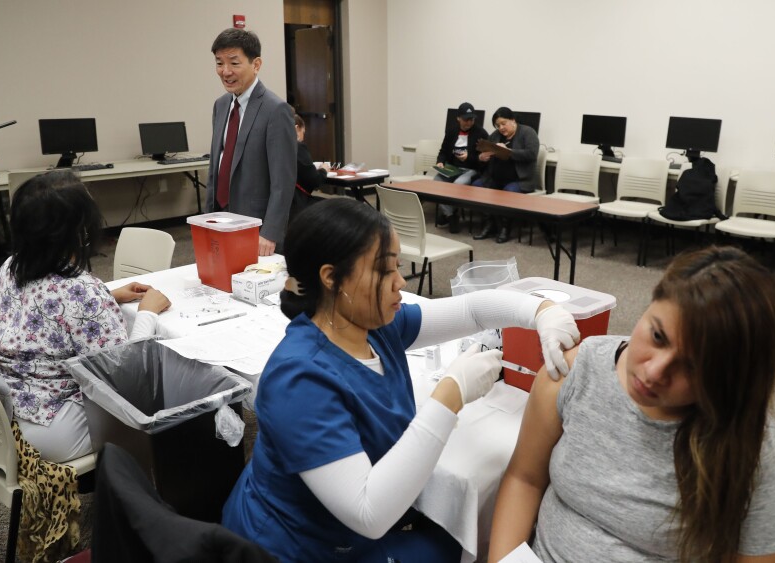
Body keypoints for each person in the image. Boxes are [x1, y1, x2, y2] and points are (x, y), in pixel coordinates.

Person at [222, 198, 581, 562]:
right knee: (454, 544)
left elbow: (473, 310)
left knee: (454, 541)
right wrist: (450, 396)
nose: (401, 282)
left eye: (397, 266)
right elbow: (369, 513)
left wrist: (540, 311)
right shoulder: (297, 379)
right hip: (293, 548)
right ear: (331, 278)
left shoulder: (371, 326)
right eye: (384, 271)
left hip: (346, 534)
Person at [488, 246, 775, 562]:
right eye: (658, 336)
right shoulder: (574, 372)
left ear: (728, 381)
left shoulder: (752, 451)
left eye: (691, 367)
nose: (654, 372)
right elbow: (524, 479)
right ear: (650, 304)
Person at [0, 170, 171, 463]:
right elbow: (126, 377)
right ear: (80, 231)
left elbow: (44, 314)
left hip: (1, 413)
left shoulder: (11, 267)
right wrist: (147, 312)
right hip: (53, 430)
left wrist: (107, 298)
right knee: (166, 393)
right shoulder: (83, 291)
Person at [207, 28, 297, 256]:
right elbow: (216, 167)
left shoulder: (276, 110)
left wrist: (270, 232)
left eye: (234, 63)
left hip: (256, 226)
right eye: (219, 63)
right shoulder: (220, 105)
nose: (225, 71)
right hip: (220, 219)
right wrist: (207, 218)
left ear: (256, 64)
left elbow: (282, 181)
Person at [472, 107, 540, 243]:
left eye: (504, 123)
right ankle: (489, 224)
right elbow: (485, 152)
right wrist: (482, 157)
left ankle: (505, 228)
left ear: (513, 120)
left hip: (519, 179)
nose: (501, 128)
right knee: (477, 186)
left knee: (508, 191)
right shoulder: (495, 136)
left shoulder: (528, 132)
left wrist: (509, 151)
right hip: (495, 177)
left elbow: (531, 154)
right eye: (498, 125)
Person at [433, 102, 488, 233]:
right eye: (465, 119)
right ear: (458, 118)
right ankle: (451, 215)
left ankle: (448, 215)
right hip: (452, 168)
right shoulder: (451, 131)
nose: (468, 123)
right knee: (437, 182)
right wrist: (440, 162)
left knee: (458, 184)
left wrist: (468, 157)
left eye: (471, 119)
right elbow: (443, 151)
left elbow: (483, 160)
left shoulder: (481, 134)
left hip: (471, 169)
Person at [289, 113, 331, 223]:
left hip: (283, 204)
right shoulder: (298, 147)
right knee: (337, 208)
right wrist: (323, 170)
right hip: (297, 204)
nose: (303, 136)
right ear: (297, 128)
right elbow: (314, 180)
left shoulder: (276, 146)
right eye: (303, 132)